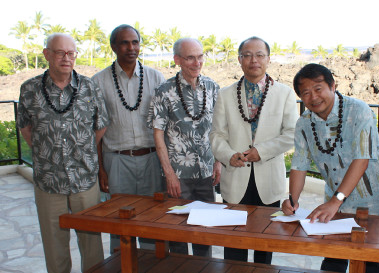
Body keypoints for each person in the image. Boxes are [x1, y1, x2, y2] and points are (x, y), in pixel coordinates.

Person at [282, 63, 379, 273]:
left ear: (333, 86)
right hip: (334, 206)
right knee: (333, 262)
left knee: (369, 263)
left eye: (318, 88)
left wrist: (335, 201)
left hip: (370, 204)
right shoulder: (304, 123)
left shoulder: (359, 110)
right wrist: (293, 200)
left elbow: (362, 159)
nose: (313, 97)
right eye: (306, 92)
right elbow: (299, 164)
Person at [17, 33, 106, 273]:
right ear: (47, 54)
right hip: (48, 180)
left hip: (84, 179)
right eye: (59, 52)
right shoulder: (30, 89)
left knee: (92, 244)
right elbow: (25, 127)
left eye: (70, 53)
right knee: (54, 244)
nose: (66, 58)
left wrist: (82, 150)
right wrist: (47, 151)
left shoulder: (89, 87)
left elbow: (101, 125)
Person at [210, 36, 298, 264]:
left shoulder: (285, 94)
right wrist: (229, 155)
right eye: (247, 55)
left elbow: (291, 133)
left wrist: (262, 151)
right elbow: (216, 135)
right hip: (235, 176)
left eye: (259, 55)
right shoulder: (225, 94)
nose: (253, 60)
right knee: (233, 242)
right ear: (239, 60)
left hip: (268, 180)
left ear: (268, 59)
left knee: (265, 243)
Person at [92, 24, 165, 253]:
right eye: (124, 42)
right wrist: (101, 170)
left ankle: (152, 265)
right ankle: (120, 265)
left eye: (135, 42)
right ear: (114, 46)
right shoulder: (98, 81)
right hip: (117, 161)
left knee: (152, 219)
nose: (131, 47)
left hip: (152, 159)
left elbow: (165, 124)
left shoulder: (156, 77)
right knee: (119, 221)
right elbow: (96, 132)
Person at [148, 37, 221, 257]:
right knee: (177, 232)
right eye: (190, 57)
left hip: (207, 173)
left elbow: (219, 129)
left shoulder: (213, 87)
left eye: (200, 57)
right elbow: (158, 134)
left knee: (204, 231)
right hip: (178, 175)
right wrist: (169, 173)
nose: (197, 62)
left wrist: (218, 162)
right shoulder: (164, 90)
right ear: (177, 59)